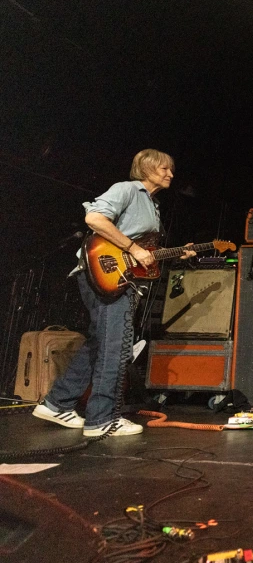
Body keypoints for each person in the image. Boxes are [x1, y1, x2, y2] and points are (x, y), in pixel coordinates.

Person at [32, 149, 196, 437]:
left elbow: (143, 250)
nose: (171, 174)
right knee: (116, 347)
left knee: (100, 343)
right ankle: (102, 420)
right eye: (164, 169)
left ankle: (57, 403)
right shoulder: (127, 190)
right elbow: (95, 219)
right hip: (104, 275)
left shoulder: (152, 204)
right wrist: (133, 248)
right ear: (146, 169)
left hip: (121, 277)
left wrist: (172, 253)